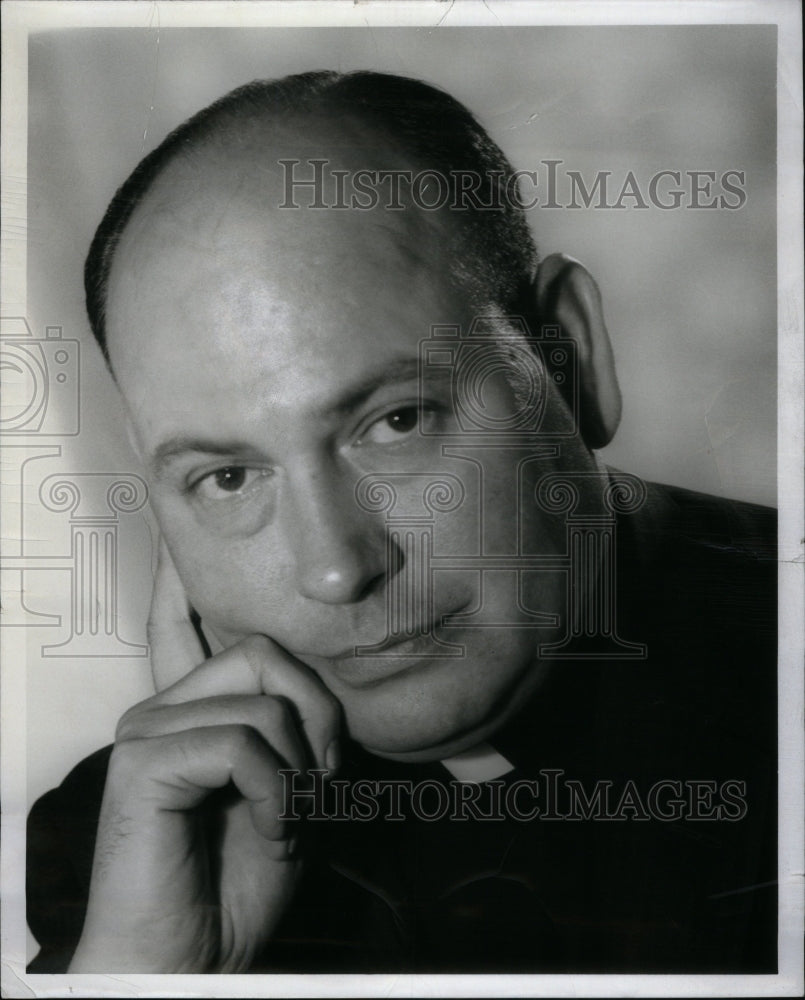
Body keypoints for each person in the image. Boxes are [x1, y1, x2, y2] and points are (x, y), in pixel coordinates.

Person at [27, 70, 777, 974]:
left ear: (567, 358)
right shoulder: (135, 851)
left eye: (396, 422)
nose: (337, 568)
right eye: (228, 477)